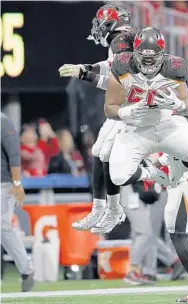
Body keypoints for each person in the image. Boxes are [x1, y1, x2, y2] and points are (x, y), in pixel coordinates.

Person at [58, 3, 142, 234]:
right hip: (128, 103)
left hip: (131, 107)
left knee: (110, 156)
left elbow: (114, 83)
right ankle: (104, 208)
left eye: (101, 23)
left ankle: (116, 205)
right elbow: (110, 68)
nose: (98, 28)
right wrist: (85, 68)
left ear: (112, 22)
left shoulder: (120, 40)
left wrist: (85, 74)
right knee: (100, 152)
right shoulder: (123, 40)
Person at [1, 113, 34, 292]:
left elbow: (14, 154)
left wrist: (16, 183)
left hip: (3, 183)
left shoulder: (3, 122)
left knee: (3, 226)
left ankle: (26, 269)